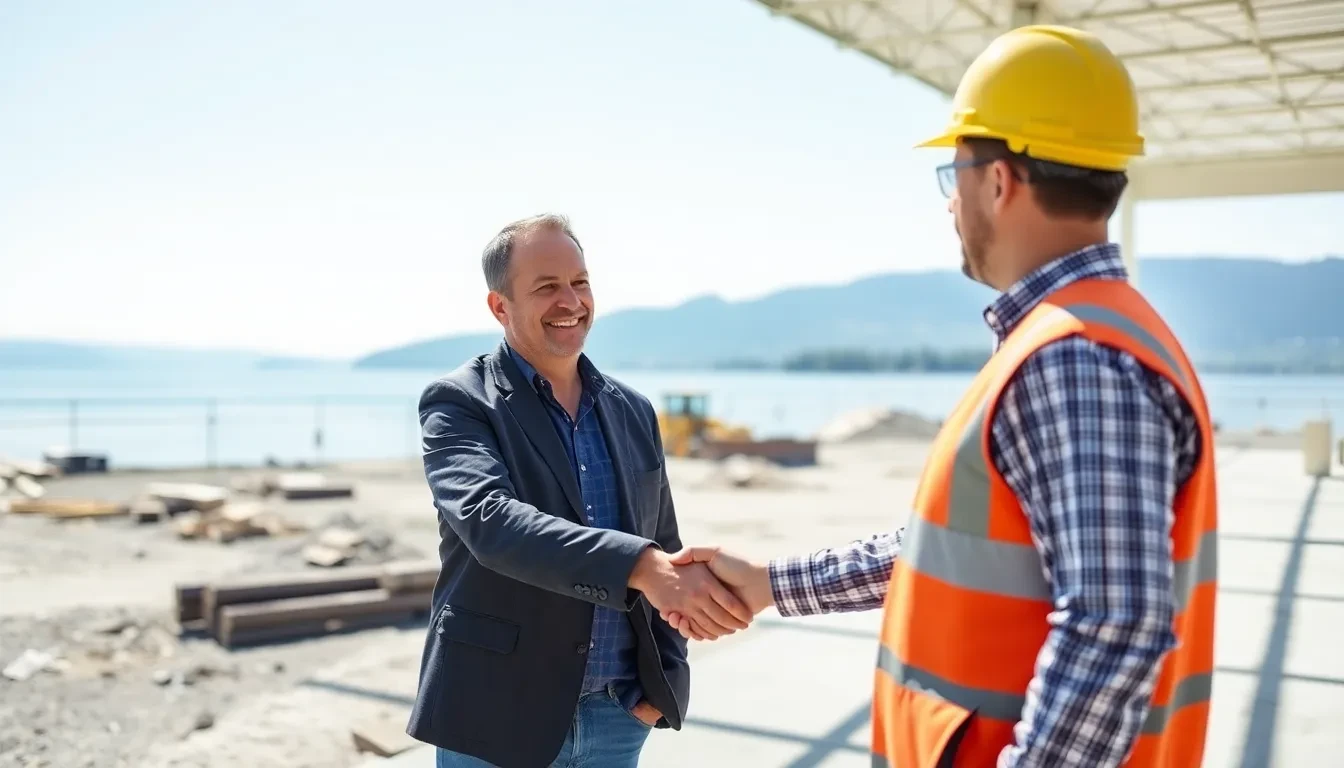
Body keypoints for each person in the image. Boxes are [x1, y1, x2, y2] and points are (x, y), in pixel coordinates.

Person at [665, 25, 1218, 768]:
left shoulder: (1074, 358)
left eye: (951, 175)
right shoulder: (1084, 335)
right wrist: (771, 585)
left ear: (999, 179)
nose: (949, 204)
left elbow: (1113, 626)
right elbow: (956, 553)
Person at [407, 213, 753, 768]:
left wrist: (663, 686)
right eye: (546, 287)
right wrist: (638, 565)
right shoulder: (459, 403)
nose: (570, 300)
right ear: (501, 307)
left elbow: (665, 540)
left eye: (580, 282)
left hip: (617, 717)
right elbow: (491, 522)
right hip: (496, 715)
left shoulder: (633, 410)